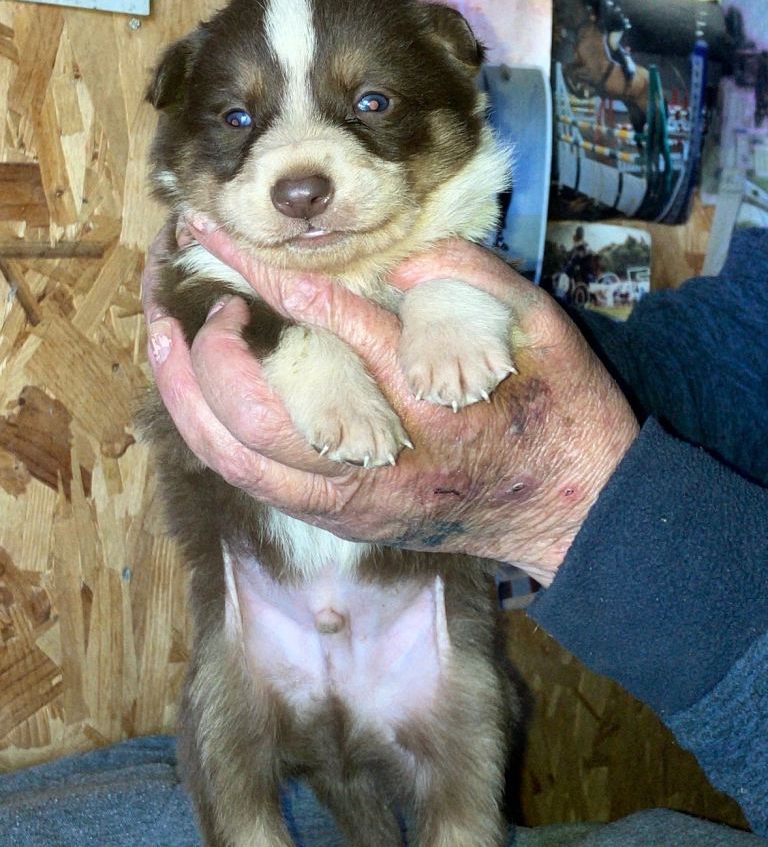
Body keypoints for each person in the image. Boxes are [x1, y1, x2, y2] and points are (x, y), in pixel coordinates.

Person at [141, 214, 768, 846]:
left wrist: (560, 488)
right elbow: (739, 345)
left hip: (423, 639)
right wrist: (550, 379)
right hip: (257, 623)